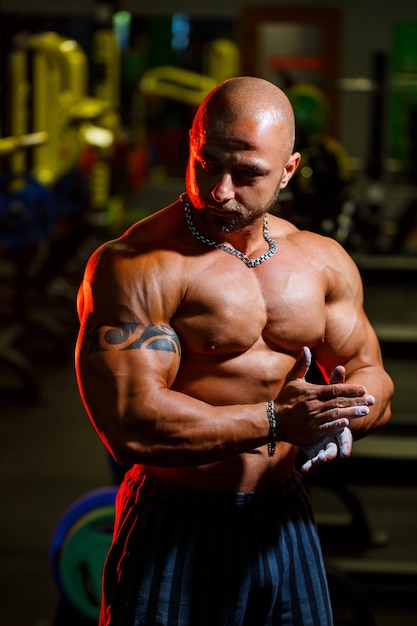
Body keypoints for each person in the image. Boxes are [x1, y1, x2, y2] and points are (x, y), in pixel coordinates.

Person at [75, 76, 393, 626]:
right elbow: (131, 422)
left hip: (282, 516)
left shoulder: (321, 262)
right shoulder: (136, 265)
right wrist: (276, 421)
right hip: (175, 520)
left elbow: (374, 376)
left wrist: (343, 416)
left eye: (247, 174)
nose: (219, 191)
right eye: (205, 163)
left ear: (288, 170)